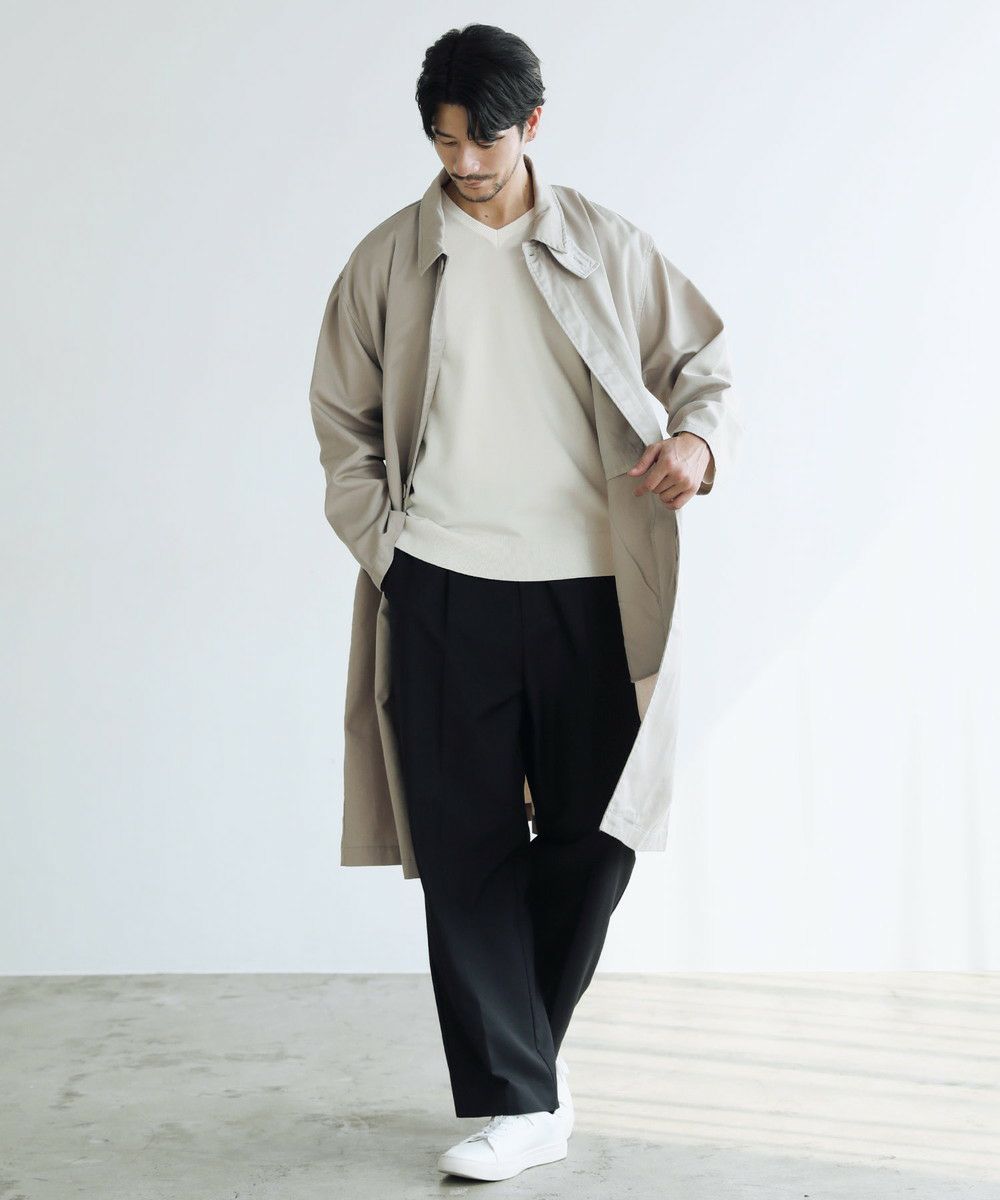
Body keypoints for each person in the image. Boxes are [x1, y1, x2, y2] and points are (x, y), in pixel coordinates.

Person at [308, 22, 740, 1183]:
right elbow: (343, 425)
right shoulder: (388, 261)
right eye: (443, 142)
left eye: (484, 140)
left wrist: (698, 443)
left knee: (596, 836)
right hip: (442, 589)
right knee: (465, 851)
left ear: (531, 125)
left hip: (590, 592)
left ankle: (527, 1064)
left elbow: (702, 368)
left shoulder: (605, 245)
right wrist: (392, 555)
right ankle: (517, 1099)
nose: (464, 163)